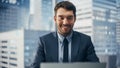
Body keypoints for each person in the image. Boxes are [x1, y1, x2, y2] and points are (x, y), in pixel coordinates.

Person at [31, 1, 99, 68]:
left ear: (74, 19)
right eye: (61, 18)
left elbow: (96, 66)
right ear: (55, 19)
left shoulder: (85, 41)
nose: (65, 22)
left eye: (69, 18)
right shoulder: (44, 41)